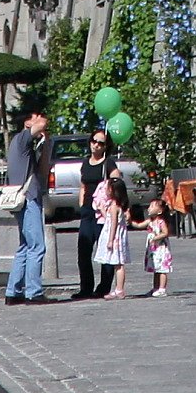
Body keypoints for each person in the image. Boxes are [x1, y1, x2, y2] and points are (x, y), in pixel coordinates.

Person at [3, 106, 51, 304]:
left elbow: (43, 169)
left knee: (24, 246)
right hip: (27, 198)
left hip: (26, 196)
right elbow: (42, 123)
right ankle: (33, 291)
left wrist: (46, 144)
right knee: (37, 246)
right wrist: (42, 124)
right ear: (27, 123)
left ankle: (13, 292)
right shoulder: (22, 138)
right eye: (36, 115)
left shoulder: (28, 145)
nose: (41, 118)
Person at [75, 128, 119, 300]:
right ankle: (86, 287)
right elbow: (83, 185)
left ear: (106, 146)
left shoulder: (108, 163)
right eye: (94, 141)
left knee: (105, 249)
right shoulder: (86, 163)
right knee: (83, 250)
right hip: (87, 211)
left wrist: (112, 205)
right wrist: (81, 204)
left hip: (103, 212)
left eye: (101, 143)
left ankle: (104, 287)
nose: (96, 145)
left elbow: (117, 184)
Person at [94, 158, 131, 299]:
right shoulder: (116, 206)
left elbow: (113, 223)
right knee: (116, 264)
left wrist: (110, 240)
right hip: (116, 236)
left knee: (118, 264)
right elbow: (109, 218)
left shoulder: (115, 206)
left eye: (108, 189)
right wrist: (103, 210)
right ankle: (117, 288)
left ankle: (119, 289)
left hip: (114, 238)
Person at [144, 205, 174, 298]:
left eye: (152, 206)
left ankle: (162, 289)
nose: (149, 208)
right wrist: (129, 221)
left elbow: (165, 233)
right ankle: (155, 288)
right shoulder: (150, 221)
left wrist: (155, 238)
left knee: (162, 269)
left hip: (161, 249)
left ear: (159, 211)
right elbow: (139, 225)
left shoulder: (161, 222)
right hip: (154, 250)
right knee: (155, 269)